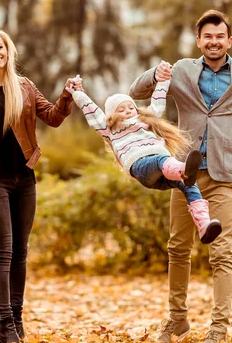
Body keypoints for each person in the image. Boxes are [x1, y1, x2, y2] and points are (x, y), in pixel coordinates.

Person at [129, 10, 232, 343]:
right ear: (199, 41)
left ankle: (217, 330)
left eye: (219, 37)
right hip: (184, 176)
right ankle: (177, 320)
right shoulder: (183, 70)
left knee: (221, 253)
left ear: (229, 41)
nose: (213, 42)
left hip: (225, 175)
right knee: (177, 248)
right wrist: (153, 73)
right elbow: (136, 91)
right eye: (207, 37)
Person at [0, 29, 75, 343]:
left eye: (0, 47)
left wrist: (66, 96)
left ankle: (18, 319)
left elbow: (52, 117)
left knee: (21, 252)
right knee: (3, 251)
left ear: (8, 50)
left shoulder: (24, 87)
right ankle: (5, 324)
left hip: (24, 178)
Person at [66, 75, 222, 244]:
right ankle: (183, 170)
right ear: (111, 115)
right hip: (141, 167)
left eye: (130, 107)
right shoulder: (109, 128)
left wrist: (163, 80)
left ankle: (204, 225)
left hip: (161, 174)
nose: (127, 111)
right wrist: (78, 92)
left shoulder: (145, 120)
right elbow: (90, 110)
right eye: (121, 109)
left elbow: (158, 101)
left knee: (188, 185)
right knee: (162, 160)